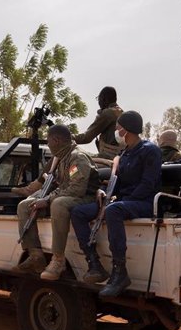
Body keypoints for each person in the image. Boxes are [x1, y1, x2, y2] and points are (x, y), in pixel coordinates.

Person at [70, 111, 161, 296]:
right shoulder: (124, 153)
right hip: (122, 201)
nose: (116, 131)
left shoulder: (150, 150)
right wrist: (104, 192)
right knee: (78, 212)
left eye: (118, 128)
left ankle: (120, 272)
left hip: (143, 201)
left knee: (113, 211)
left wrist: (120, 201)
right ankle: (93, 262)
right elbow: (117, 181)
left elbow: (147, 184)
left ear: (126, 130)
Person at [16, 124, 101, 280]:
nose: (48, 145)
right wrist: (40, 197)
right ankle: (35, 255)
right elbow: (62, 186)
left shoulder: (77, 157)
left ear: (56, 140)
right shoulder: (63, 158)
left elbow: (76, 189)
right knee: (24, 206)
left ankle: (58, 260)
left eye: (48, 141)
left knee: (58, 204)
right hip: (69, 195)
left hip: (85, 198)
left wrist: (47, 200)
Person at [73, 86, 124, 159]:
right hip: (119, 155)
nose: (99, 102)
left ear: (103, 99)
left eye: (99, 99)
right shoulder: (120, 112)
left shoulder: (108, 113)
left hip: (109, 156)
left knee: (78, 161)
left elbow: (86, 137)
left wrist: (65, 137)